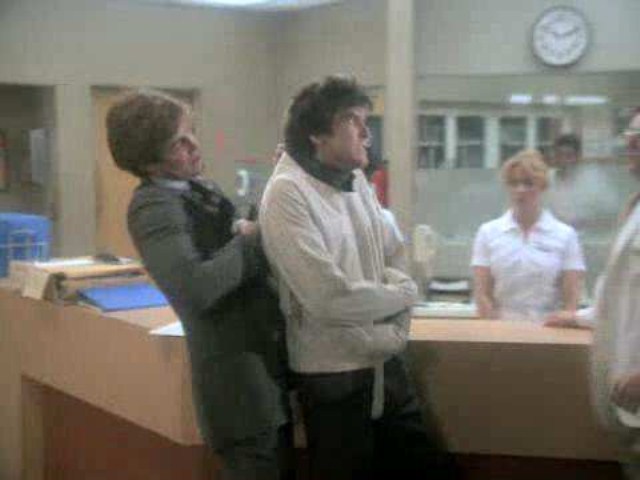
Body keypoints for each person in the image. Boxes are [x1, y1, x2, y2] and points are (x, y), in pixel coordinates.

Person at [260, 76, 457, 480]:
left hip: (386, 365)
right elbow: (330, 299)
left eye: (366, 121)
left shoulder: (356, 180)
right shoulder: (286, 192)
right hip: (334, 376)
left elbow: (394, 257)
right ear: (317, 134)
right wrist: (403, 298)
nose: (367, 134)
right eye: (353, 121)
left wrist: (395, 317)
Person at [105, 90, 290, 480]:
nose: (194, 146)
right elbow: (196, 288)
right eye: (179, 143)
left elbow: (237, 235)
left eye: (191, 133)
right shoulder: (153, 207)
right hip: (235, 382)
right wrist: (250, 239)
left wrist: (280, 186)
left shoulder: (198, 187)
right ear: (149, 161)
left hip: (265, 361)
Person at [472, 149, 586, 322]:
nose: (520, 190)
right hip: (501, 328)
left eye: (528, 183)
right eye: (514, 183)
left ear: (542, 186)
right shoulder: (488, 233)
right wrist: (495, 330)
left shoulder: (565, 235)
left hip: (550, 328)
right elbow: (482, 295)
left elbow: (571, 299)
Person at [592, 109, 640, 478]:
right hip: (627, 404)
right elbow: (624, 290)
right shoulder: (635, 207)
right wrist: (581, 316)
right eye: (630, 132)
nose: (631, 141)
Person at [547, 133, 619, 233]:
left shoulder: (594, 180)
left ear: (578, 157)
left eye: (568, 155)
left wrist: (588, 223)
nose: (563, 160)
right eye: (559, 155)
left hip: (587, 237)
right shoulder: (546, 179)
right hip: (553, 236)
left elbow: (613, 216)